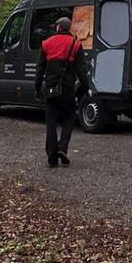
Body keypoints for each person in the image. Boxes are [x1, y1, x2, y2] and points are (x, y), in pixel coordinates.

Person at [35, 14, 90, 168]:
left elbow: (39, 69)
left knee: (51, 123)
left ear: (58, 27)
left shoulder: (46, 44)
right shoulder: (76, 45)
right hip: (67, 89)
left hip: (51, 89)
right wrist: (84, 90)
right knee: (70, 116)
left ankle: (52, 159)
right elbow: (82, 70)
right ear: (68, 28)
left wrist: (37, 88)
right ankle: (62, 147)